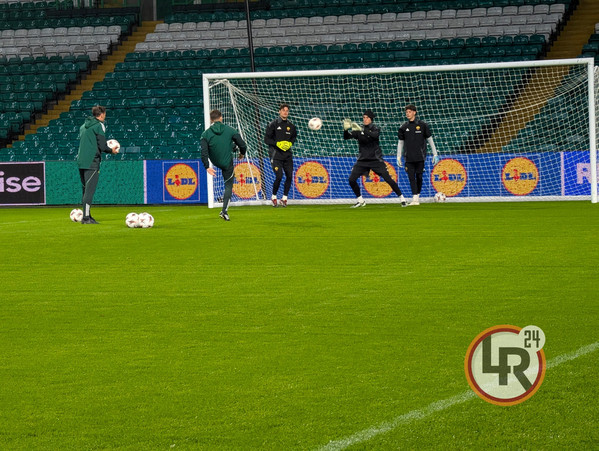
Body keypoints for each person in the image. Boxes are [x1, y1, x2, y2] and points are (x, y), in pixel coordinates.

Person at [344, 109, 407, 208]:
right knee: (351, 180)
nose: (365, 119)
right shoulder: (359, 129)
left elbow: (374, 135)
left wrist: (362, 130)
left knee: (388, 179)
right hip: (362, 160)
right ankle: (360, 201)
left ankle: (402, 198)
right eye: (364, 117)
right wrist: (345, 130)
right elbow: (346, 137)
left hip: (375, 160)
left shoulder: (375, 128)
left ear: (371, 119)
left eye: (367, 117)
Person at [201, 109, 248, 221]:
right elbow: (243, 145)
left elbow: (204, 152)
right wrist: (242, 154)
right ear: (221, 117)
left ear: (211, 119)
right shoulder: (230, 130)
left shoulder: (205, 134)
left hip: (215, 160)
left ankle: (232, 147)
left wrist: (207, 166)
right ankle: (224, 211)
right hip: (227, 162)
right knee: (228, 185)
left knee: (228, 145)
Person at [76, 105, 119, 224]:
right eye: (105, 114)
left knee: (85, 190)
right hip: (92, 161)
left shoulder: (83, 126)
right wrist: (111, 151)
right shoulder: (99, 126)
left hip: (81, 161)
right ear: (102, 114)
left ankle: (88, 215)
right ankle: (86, 218)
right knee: (89, 191)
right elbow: (102, 146)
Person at [396, 104, 439, 206]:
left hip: (420, 156)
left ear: (414, 112)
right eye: (406, 112)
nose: (407, 114)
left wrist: (435, 154)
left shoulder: (423, 125)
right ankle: (415, 198)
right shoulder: (403, 127)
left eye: (409, 112)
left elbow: (430, 140)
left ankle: (417, 197)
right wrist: (398, 156)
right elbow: (400, 142)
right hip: (408, 157)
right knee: (411, 177)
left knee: (419, 177)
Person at [264, 103, 297, 207]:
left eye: (287, 111)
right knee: (279, 176)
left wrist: (290, 143)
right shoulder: (273, 124)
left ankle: (284, 198)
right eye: (283, 110)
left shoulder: (291, 126)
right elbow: (266, 140)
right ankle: (274, 196)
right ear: (279, 111)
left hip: (287, 155)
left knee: (289, 176)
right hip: (276, 155)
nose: (285, 112)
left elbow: (293, 137)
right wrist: (277, 143)